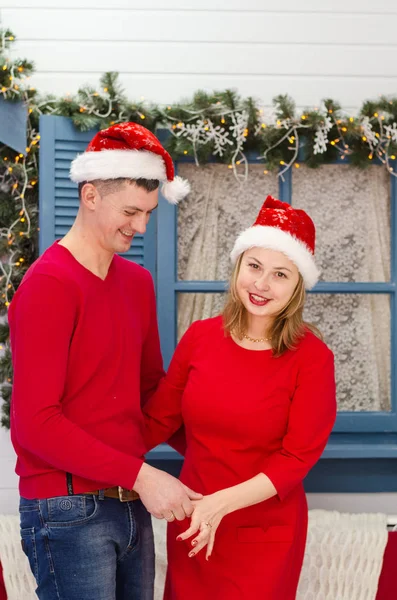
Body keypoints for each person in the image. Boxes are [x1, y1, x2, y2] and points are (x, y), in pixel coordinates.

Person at [8, 122, 201, 600]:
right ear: (90, 195)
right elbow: (33, 424)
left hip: (131, 501)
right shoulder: (49, 285)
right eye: (131, 211)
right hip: (67, 509)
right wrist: (144, 475)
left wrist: (217, 444)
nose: (140, 227)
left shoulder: (136, 284)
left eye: (149, 213)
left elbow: (151, 397)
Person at [143, 195, 337, 600]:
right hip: (194, 522)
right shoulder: (199, 337)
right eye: (254, 266)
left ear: (298, 285)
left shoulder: (312, 358)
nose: (262, 284)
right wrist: (100, 461)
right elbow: (158, 420)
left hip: (264, 533)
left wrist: (219, 504)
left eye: (280, 274)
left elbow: (296, 457)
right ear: (238, 267)